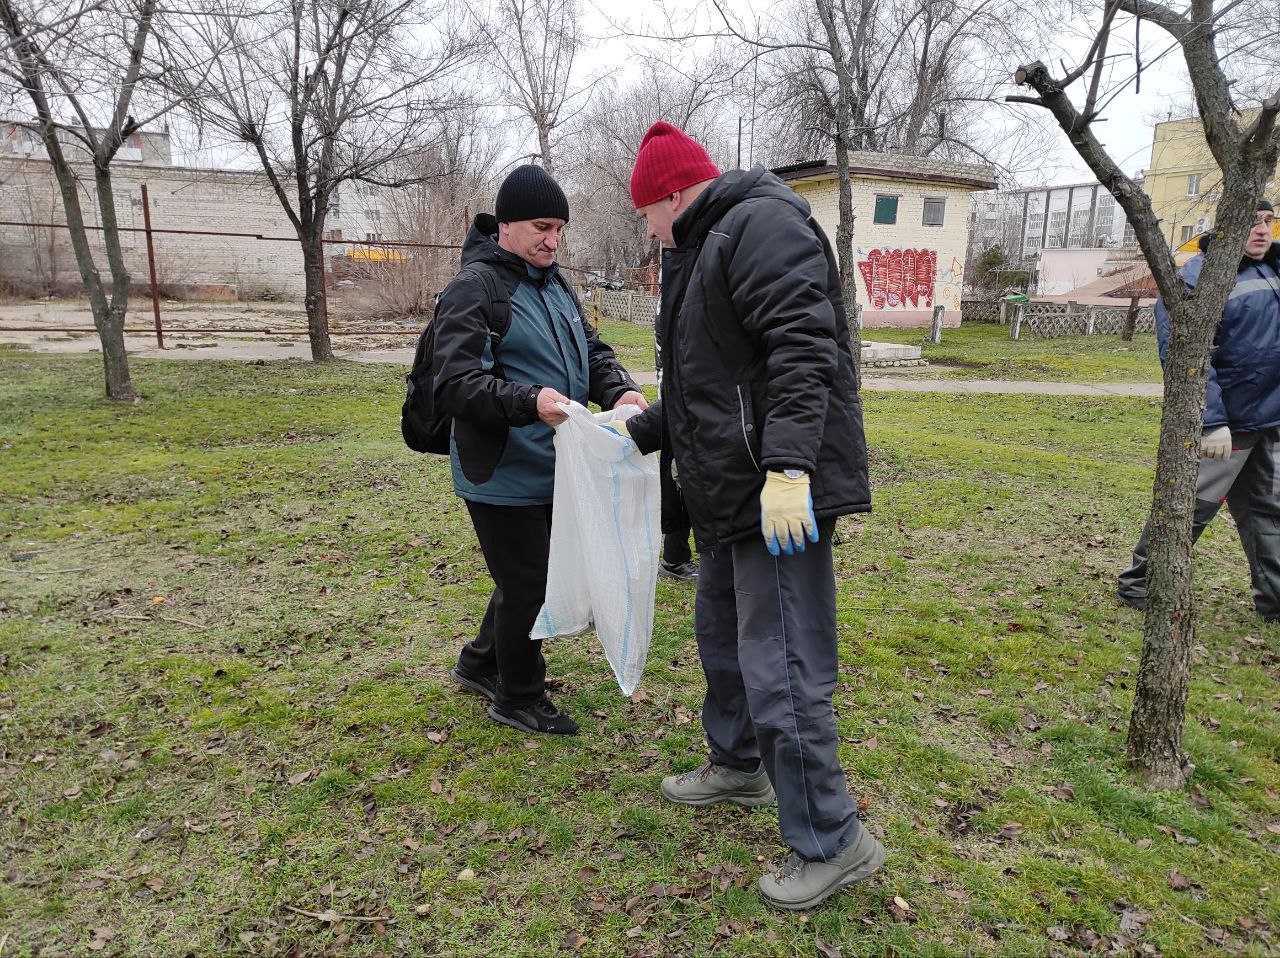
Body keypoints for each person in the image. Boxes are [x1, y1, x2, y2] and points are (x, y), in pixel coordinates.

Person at [609, 122, 884, 910]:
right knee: (723, 637)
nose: (647, 229)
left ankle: (834, 839)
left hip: (778, 496)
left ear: (671, 195)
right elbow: (710, 384)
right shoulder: (703, 247)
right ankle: (736, 764)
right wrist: (636, 432)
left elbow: (804, 346)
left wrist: (790, 467)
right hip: (730, 495)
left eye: (645, 213)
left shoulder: (759, 225)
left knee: (782, 666)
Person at [432, 164, 646, 735]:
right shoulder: (475, 289)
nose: (553, 241)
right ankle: (518, 696)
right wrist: (529, 401)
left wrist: (618, 388)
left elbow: (590, 351)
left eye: (560, 229)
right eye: (542, 227)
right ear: (505, 224)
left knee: (526, 574)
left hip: (553, 465)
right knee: (531, 583)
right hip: (500, 469)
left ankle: (480, 662)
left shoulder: (553, 285)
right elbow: (454, 383)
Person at [1118, 199, 1280, 619]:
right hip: (1229, 426)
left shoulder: (1272, 269)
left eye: (1268, 221)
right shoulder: (1198, 279)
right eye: (1252, 222)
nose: (1263, 230)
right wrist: (1211, 421)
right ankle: (1140, 585)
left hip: (1271, 420)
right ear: (1225, 227)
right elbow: (1185, 354)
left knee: (1270, 513)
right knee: (1190, 508)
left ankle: (1276, 601)